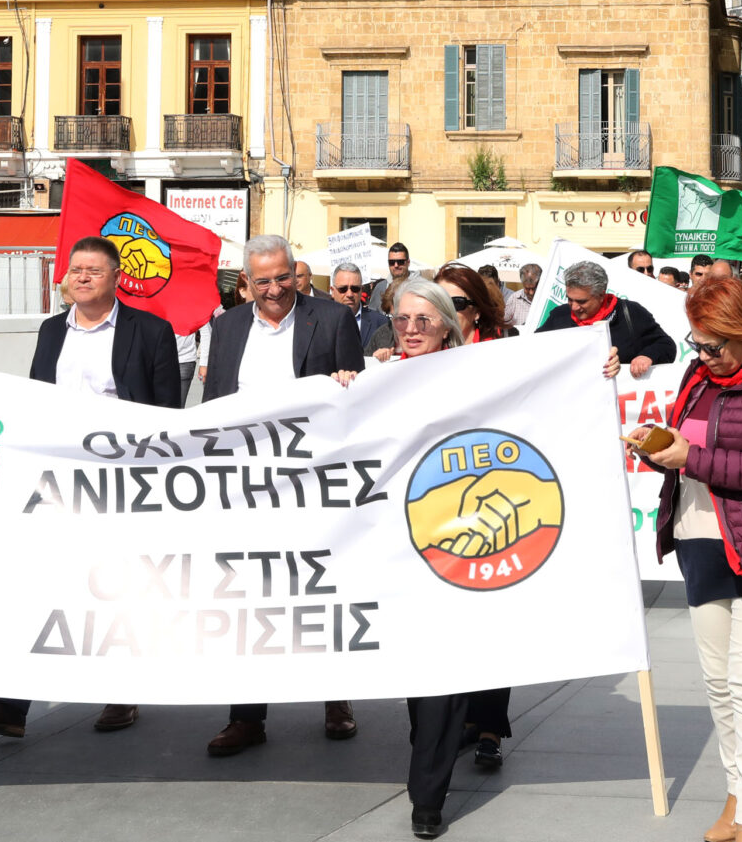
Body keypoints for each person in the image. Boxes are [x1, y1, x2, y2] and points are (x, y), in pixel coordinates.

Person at [0, 237, 181, 740]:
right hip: (57, 486)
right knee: (41, 588)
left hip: (123, 485)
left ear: (117, 277)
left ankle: (121, 695)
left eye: (93, 271)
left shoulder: (151, 331)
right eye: (75, 270)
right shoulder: (51, 330)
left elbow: (168, 416)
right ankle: (9, 706)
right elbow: (36, 397)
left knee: (117, 591)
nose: (81, 278)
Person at [631, 277, 742, 842]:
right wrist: (659, 446)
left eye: (715, 346)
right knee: (718, 682)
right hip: (699, 538)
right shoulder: (695, 375)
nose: (705, 356)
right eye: (697, 344)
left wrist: (693, 457)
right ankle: (737, 794)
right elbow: (687, 449)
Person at [201, 235, 368, 755]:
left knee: (321, 590)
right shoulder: (226, 327)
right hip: (245, 489)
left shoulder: (331, 319)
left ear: (295, 272)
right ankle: (245, 717)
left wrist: (349, 381)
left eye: (281, 277)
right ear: (246, 282)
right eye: (262, 281)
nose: (273, 290)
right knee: (249, 599)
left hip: (313, 484)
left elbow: (355, 400)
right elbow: (212, 407)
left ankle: (335, 698)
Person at [381, 277, 513, 837]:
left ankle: (427, 795)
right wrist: (345, 381)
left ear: (447, 326)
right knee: (420, 673)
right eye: (401, 320)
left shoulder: (478, 375)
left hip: (459, 543)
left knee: (445, 670)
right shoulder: (378, 376)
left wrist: (596, 367)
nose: (411, 331)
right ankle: (429, 755)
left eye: (423, 321)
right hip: (396, 545)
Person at [535, 260, 677, 378]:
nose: (574, 307)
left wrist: (647, 356)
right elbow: (534, 348)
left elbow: (666, 345)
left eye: (582, 301)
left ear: (601, 295)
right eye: (570, 299)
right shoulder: (559, 316)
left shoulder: (631, 313)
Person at [435, 263, 505, 344]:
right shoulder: (425, 350)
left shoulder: (496, 352)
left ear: (476, 312)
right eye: (439, 302)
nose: (446, 310)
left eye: (456, 302)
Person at [329, 262, 390, 351]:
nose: (349, 294)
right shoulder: (319, 322)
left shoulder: (381, 323)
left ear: (361, 290)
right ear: (333, 291)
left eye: (355, 289)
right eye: (343, 289)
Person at [366, 243, 413, 313]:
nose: (396, 265)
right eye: (392, 262)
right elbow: (372, 317)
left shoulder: (420, 286)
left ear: (408, 262)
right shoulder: (380, 287)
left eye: (400, 262)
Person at [501, 263, 541, 330]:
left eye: (534, 288)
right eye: (527, 289)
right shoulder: (514, 298)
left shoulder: (548, 298)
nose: (531, 293)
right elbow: (503, 322)